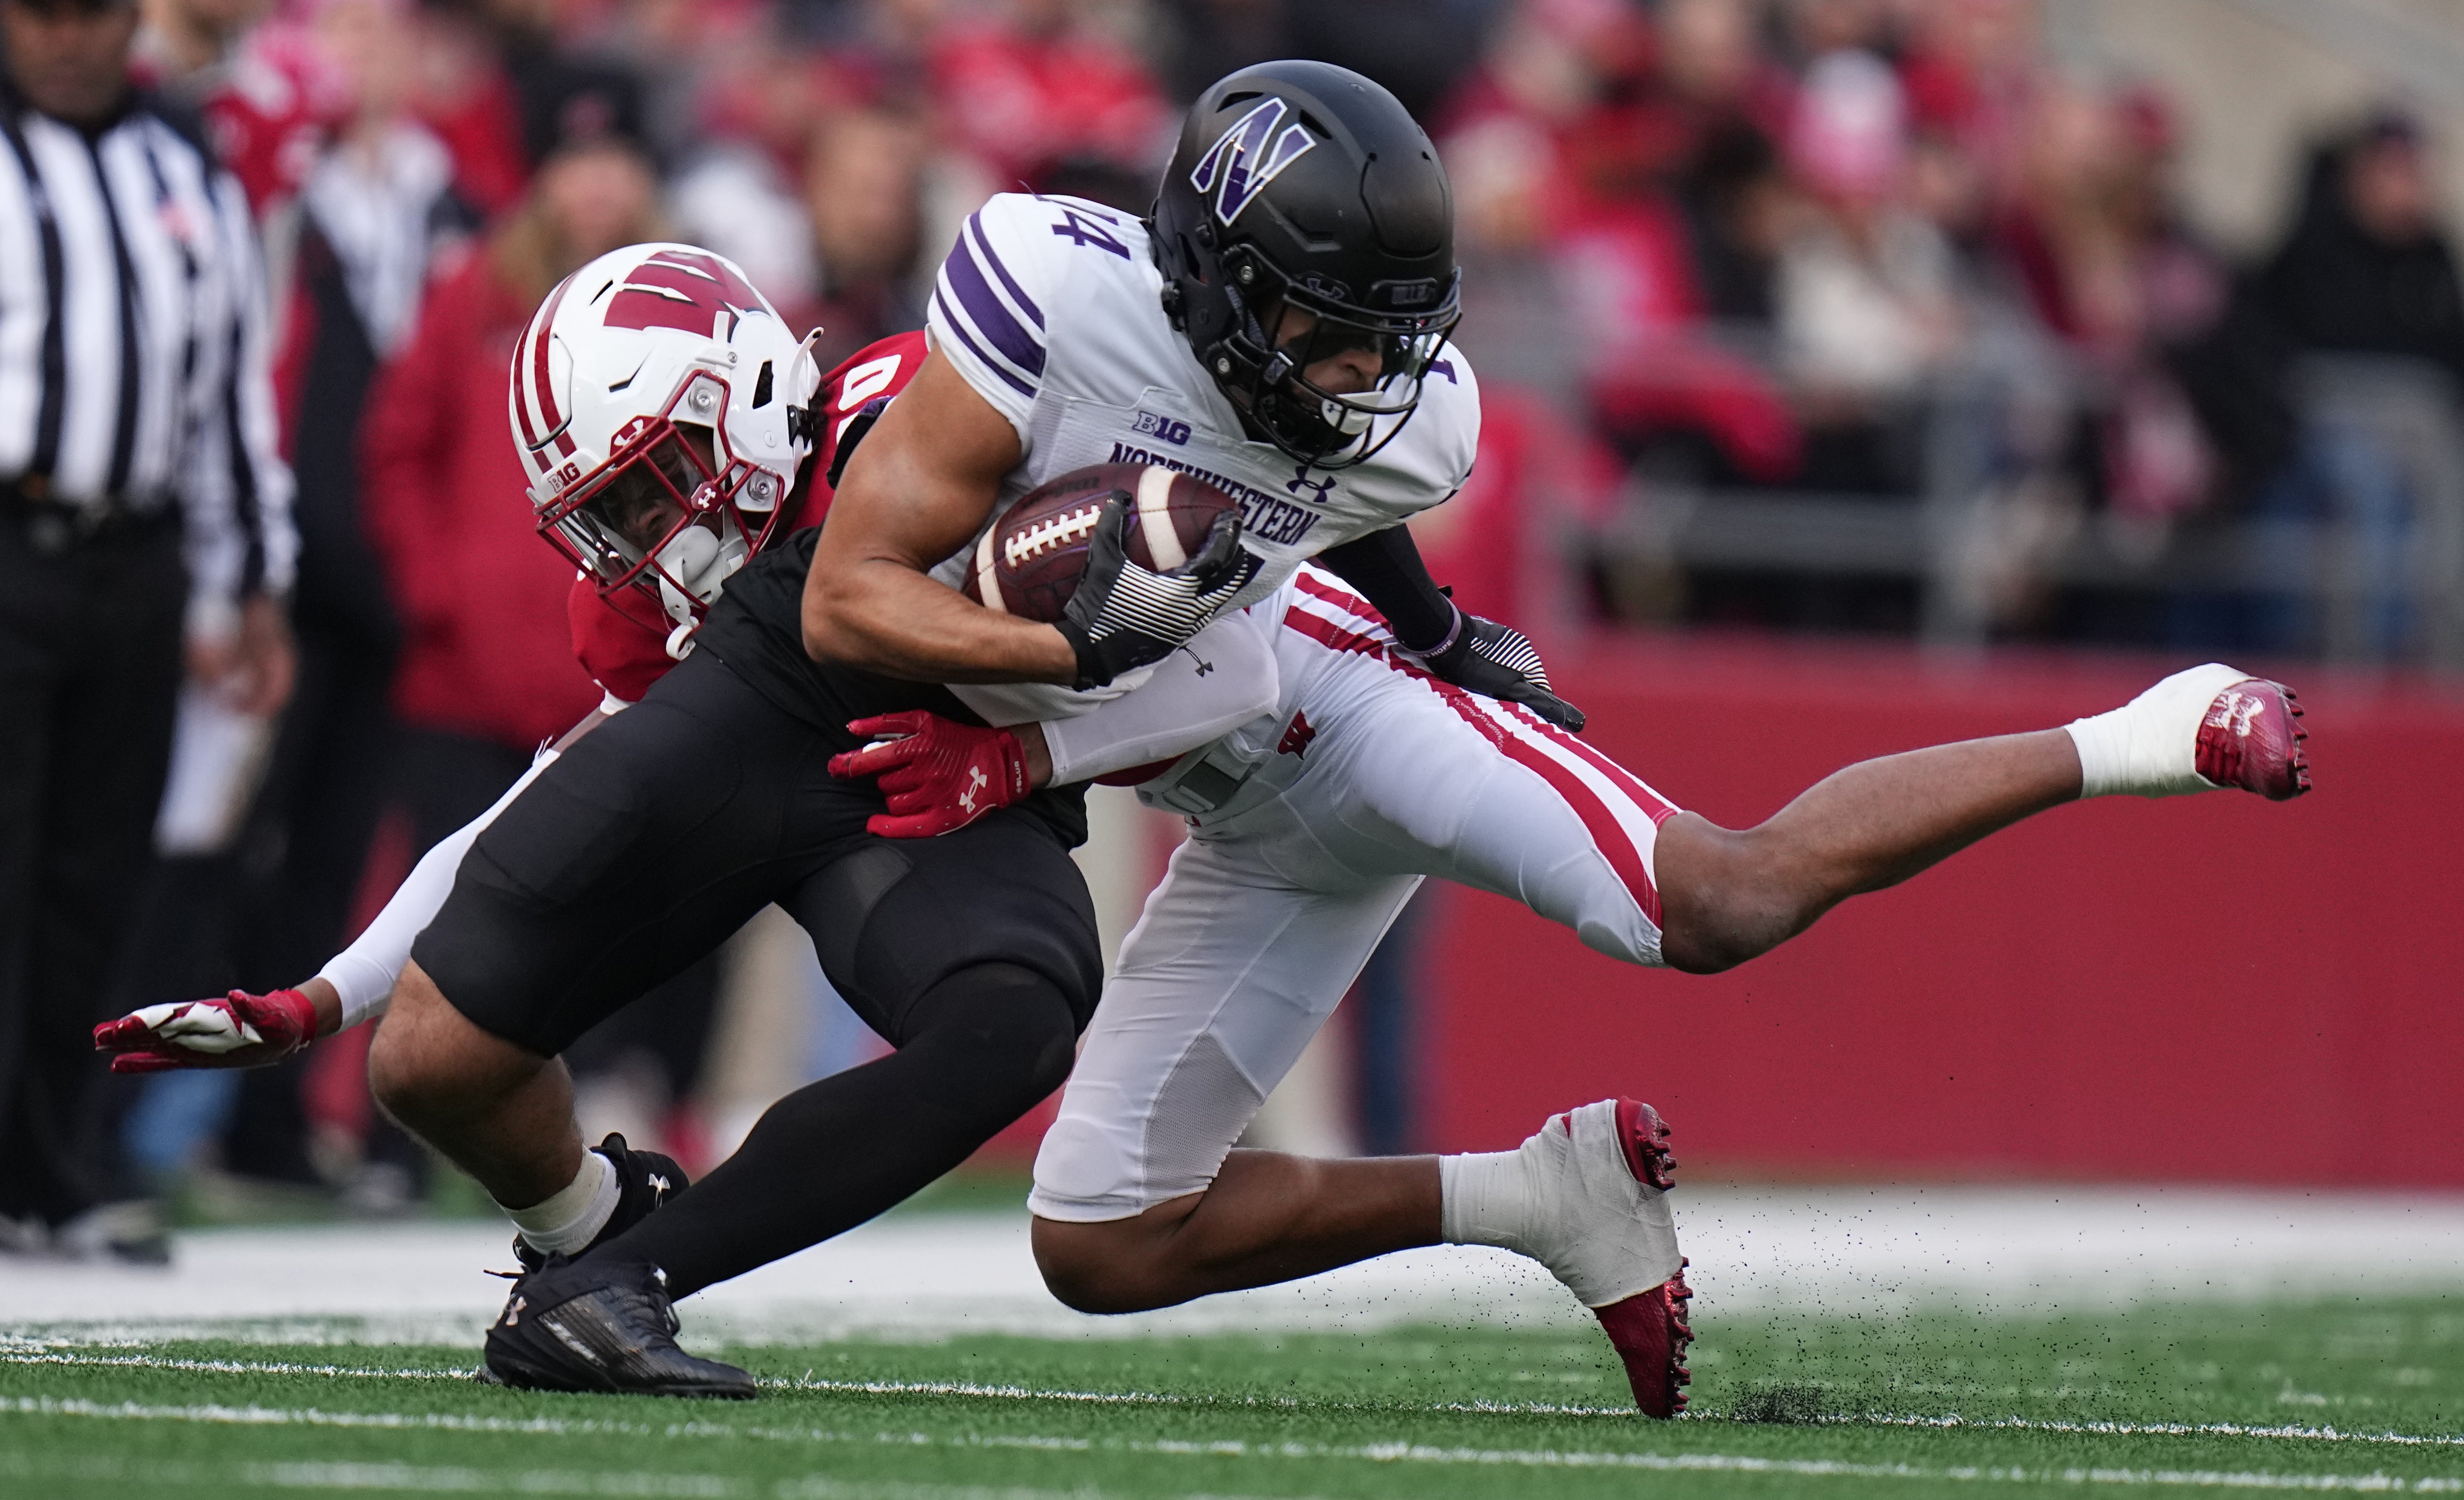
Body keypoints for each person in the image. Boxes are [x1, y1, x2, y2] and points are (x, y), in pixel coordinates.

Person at [0, 0, 296, 1257]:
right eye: (42, 13)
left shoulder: (189, 163)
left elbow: (229, 389)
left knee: (95, 878)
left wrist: (253, 582)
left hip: (140, 556)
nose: (69, 39)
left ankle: (54, 1170)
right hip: (10, 540)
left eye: (96, 13)